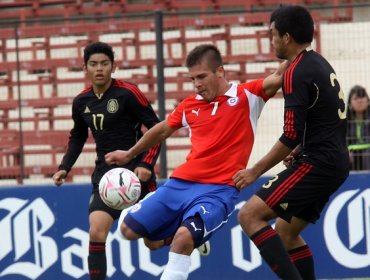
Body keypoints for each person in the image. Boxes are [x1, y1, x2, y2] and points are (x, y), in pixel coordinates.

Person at [105, 44, 287, 280]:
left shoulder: (247, 95)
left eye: (202, 77)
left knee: (182, 240)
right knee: (128, 232)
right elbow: (161, 130)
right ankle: (189, 233)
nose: (197, 84)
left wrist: (299, 45)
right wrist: (129, 154)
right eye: (193, 79)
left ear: (220, 71)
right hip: (180, 184)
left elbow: (280, 76)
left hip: (219, 190)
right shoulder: (190, 105)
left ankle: (190, 234)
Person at [234, 5, 349, 280]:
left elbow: (289, 136)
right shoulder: (316, 62)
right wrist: (301, 147)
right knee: (285, 233)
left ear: (286, 37)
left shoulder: (296, 73)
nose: (270, 39)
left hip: (319, 163)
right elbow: (325, 119)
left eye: (272, 33)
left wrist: (254, 172)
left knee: (249, 216)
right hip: (333, 161)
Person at [52, 41, 161, 280]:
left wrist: (146, 164)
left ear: (114, 67)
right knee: (97, 232)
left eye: (104, 63)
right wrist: (64, 167)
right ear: (85, 68)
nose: (99, 68)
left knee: (152, 243)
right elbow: (78, 135)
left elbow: (156, 128)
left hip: (136, 172)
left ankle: (191, 239)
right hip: (106, 175)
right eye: (93, 64)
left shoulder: (128, 93)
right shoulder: (81, 102)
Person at [346, 85, 370, 170]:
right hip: (352, 153)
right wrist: (346, 151)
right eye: (356, 98)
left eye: (362, 97)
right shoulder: (345, 119)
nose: (360, 101)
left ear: (368, 100)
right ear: (350, 102)